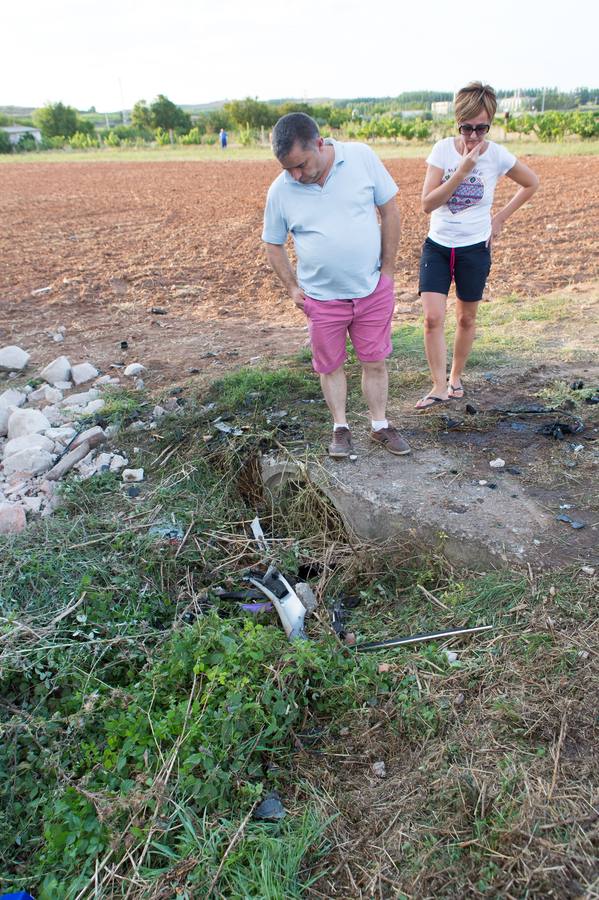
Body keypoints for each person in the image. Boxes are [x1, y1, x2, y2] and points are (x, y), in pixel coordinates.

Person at [262, 113, 410, 459]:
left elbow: (390, 211)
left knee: (375, 361)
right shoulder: (281, 190)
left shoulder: (360, 157)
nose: (296, 175)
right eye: (288, 169)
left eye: (300, 165)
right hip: (322, 299)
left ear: (319, 143)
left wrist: (387, 272)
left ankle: (379, 425)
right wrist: (291, 288)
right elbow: (273, 242)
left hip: (371, 290)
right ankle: (340, 427)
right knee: (329, 366)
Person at [415, 82, 539, 409]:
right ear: (457, 122)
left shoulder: (497, 155)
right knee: (432, 318)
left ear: (489, 124)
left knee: (466, 319)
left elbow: (531, 183)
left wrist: (499, 219)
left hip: (474, 249)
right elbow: (428, 203)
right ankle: (438, 385)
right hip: (438, 246)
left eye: (481, 128)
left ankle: (455, 377)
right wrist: (462, 171)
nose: (473, 136)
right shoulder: (443, 150)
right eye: (466, 128)